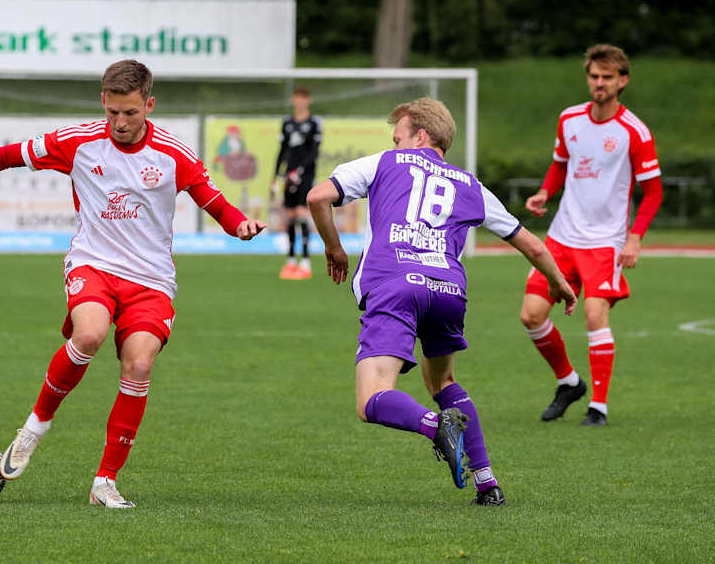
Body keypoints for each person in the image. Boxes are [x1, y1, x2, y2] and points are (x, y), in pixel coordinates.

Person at [0, 60, 266, 508]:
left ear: (149, 105)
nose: (120, 123)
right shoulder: (79, 141)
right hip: (93, 264)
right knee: (89, 333)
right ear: (103, 102)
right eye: (113, 112)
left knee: (138, 366)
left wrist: (241, 226)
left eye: (131, 113)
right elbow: (6, 156)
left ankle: (104, 483)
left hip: (151, 280)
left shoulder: (174, 154)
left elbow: (216, 203)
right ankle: (35, 427)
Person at [307, 98, 577, 506]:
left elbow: (316, 198)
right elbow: (533, 245)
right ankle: (488, 485)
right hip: (449, 290)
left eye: (397, 137)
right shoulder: (470, 185)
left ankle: (436, 426)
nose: (393, 144)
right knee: (443, 382)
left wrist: (334, 248)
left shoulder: (385, 162)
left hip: (394, 284)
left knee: (371, 399)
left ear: (419, 136)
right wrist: (559, 283)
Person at [520, 44, 663, 427]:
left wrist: (634, 238)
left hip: (605, 241)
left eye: (607, 77)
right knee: (531, 315)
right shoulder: (569, 120)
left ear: (622, 80)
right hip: (563, 236)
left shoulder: (635, 131)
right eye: (594, 76)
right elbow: (560, 165)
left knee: (594, 314)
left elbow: (653, 192)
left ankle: (598, 407)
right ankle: (569, 382)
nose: (599, 83)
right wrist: (544, 193)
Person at [272, 87, 322, 280]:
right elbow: (282, 150)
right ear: (294, 100)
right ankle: (291, 259)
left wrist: (300, 171)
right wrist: (276, 175)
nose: (299, 102)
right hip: (288, 176)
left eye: (303, 98)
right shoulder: (287, 123)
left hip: (305, 176)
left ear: (307, 100)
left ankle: (306, 260)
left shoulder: (314, 123)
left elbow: (314, 152)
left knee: (302, 214)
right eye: (297, 98)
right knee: (291, 215)